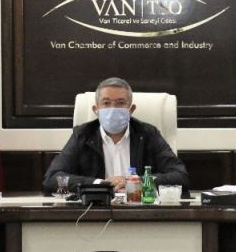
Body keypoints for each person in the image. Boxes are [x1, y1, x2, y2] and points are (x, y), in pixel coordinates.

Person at [42, 77, 190, 195]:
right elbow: (52, 178)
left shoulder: (147, 134)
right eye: (106, 103)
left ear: (131, 109)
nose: (113, 109)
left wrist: (136, 182)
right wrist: (100, 184)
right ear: (96, 109)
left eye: (120, 103)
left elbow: (180, 176)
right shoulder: (83, 135)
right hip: (95, 211)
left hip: (140, 210)